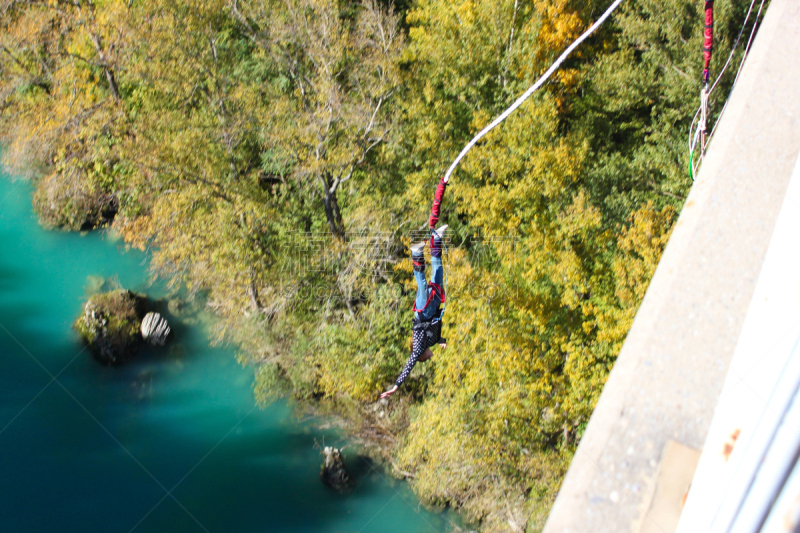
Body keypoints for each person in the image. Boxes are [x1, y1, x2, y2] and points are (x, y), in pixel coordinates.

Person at [380, 176, 449, 399]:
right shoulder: (430, 342)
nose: (430, 356)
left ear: (421, 355)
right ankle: (436, 240)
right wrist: (443, 340)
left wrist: (396, 386)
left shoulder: (418, 349)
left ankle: (417, 253)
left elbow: (408, 367)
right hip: (434, 308)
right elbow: (436, 334)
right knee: (437, 271)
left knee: (421, 283)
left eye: (427, 357)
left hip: (422, 311)